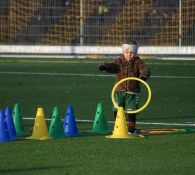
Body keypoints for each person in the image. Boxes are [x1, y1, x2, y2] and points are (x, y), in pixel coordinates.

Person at [98, 39, 150, 134]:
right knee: (117, 109)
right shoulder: (119, 61)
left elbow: (145, 70)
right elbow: (113, 66)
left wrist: (143, 77)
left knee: (131, 111)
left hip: (132, 91)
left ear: (135, 53)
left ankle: (131, 129)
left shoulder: (138, 62)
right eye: (127, 52)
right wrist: (105, 66)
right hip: (119, 91)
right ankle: (118, 126)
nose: (129, 55)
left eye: (132, 53)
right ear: (123, 52)